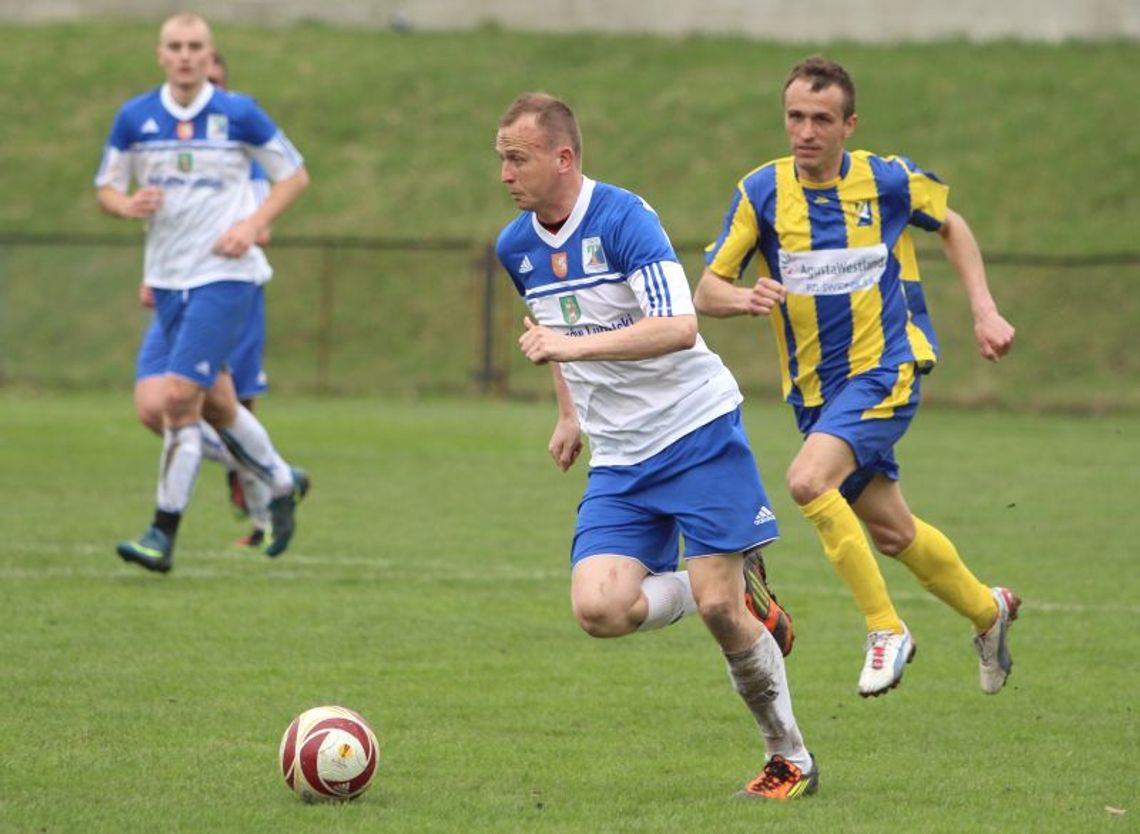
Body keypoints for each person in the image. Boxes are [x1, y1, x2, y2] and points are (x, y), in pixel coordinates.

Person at [495, 92, 816, 799]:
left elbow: (677, 325)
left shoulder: (624, 219)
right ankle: (737, 589)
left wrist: (568, 347)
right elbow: (551, 327)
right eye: (502, 160)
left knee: (719, 611)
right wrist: (570, 414)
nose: (506, 174)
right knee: (599, 610)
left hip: (696, 433)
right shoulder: (515, 245)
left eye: (518, 159)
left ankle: (789, 758)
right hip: (620, 457)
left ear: (563, 158)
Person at [694, 56, 1020, 698]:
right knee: (893, 532)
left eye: (821, 119)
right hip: (816, 396)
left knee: (807, 480)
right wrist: (744, 298)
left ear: (849, 125)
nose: (805, 131)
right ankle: (988, 612)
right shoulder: (762, 192)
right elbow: (708, 289)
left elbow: (952, 224)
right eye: (795, 117)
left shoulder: (886, 180)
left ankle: (885, 628)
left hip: (887, 369)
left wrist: (984, 310)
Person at [95, 13, 310, 573]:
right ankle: (282, 480)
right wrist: (127, 204)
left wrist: (252, 224)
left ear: (209, 55)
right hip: (168, 279)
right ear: (161, 54)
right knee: (216, 402)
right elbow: (106, 188)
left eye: (195, 46)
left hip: (225, 276)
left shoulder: (239, 114)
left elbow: (294, 175)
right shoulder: (136, 117)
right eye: (176, 46)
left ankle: (161, 533)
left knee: (177, 400)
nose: (186, 55)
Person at [130, 48, 275, 548]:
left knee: (230, 404)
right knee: (155, 406)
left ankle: (260, 520)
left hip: (226, 289)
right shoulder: (160, 141)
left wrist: (246, 229)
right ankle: (268, 471)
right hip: (175, 290)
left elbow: (262, 223)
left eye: (214, 80)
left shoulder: (243, 152)